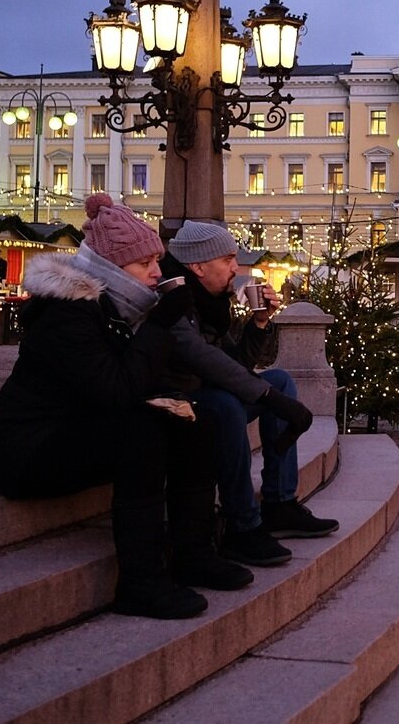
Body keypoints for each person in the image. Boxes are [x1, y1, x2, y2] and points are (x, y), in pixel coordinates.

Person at [0, 193, 247, 619]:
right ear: (110, 268)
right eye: (144, 263)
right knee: (142, 435)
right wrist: (160, 325)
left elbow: (136, 386)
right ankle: (141, 583)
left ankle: (194, 555)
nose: (157, 272)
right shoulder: (69, 313)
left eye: (157, 261)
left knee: (197, 420)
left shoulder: (121, 307)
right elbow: (117, 391)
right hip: (19, 450)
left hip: (73, 430)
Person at [161, 220, 334, 569]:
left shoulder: (210, 302)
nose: (235, 268)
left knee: (280, 380)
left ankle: (280, 504)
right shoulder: (174, 300)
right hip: (175, 404)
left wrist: (259, 322)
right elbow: (206, 361)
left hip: (204, 396)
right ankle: (242, 526)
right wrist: (270, 399)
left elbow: (235, 363)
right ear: (198, 266)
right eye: (227, 260)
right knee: (227, 404)